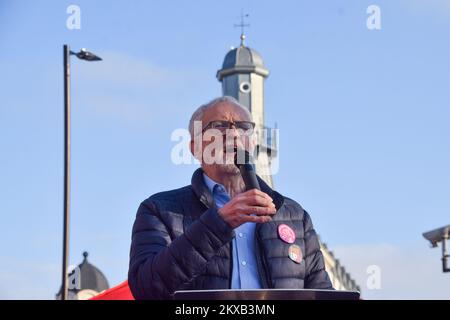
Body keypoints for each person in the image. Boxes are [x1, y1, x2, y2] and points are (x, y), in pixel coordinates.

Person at [128, 96, 333, 299]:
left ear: (252, 143)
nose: (234, 134)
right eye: (219, 126)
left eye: (243, 126)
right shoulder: (159, 210)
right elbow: (146, 288)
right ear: (195, 148)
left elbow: (321, 293)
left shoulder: (294, 216)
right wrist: (218, 224)